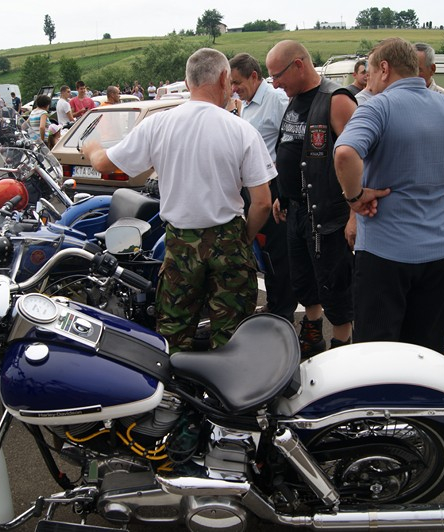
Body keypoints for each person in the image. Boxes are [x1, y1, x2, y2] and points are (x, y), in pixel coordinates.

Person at [82, 48, 274, 353]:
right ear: (223, 78)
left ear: (187, 82)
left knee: (173, 334)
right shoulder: (241, 129)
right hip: (229, 241)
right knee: (232, 337)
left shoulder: (158, 124)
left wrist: (91, 148)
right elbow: (262, 202)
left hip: (180, 245)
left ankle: (174, 383)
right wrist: (242, 240)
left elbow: (104, 164)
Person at [333, 37, 444, 354]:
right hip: (440, 252)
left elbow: (345, 153)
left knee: (376, 354)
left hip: (384, 254)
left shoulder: (378, 106)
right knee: (425, 352)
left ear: (385, 69)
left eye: (370, 72)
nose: (369, 82)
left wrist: (355, 197)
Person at [266, 40, 357, 355]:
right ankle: (313, 333)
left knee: (337, 289)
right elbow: (292, 148)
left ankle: (341, 349)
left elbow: (361, 157)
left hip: (328, 215)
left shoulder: (336, 99)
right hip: (296, 211)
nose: (275, 84)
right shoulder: (294, 99)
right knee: (304, 281)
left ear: (298, 65)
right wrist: (283, 195)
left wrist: (355, 214)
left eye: (278, 75)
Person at [229, 52, 297, 323]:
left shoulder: (276, 101)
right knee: (266, 252)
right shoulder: (248, 104)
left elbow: (292, 144)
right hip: (255, 188)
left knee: (279, 253)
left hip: (274, 187)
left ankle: (283, 312)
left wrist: (278, 178)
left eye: (237, 82)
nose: (234, 88)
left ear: (254, 76)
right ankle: (274, 303)